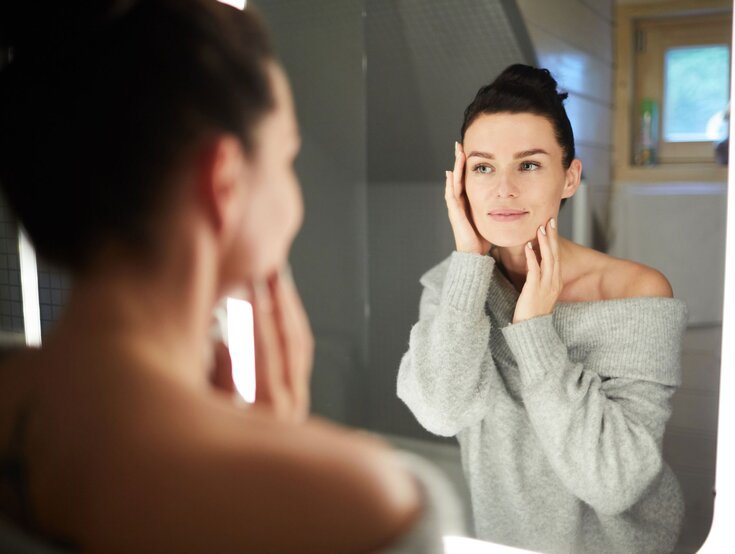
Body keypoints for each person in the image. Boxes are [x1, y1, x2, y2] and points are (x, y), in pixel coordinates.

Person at [0, 1, 462, 552]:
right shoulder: (365, 508)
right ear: (223, 183)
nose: (297, 200)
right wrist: (284, 456)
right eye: (287, 158)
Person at [397, 64, 686, 554]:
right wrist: (469, 265)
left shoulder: (636, 293)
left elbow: (615, 481)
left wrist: (533, 330)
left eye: (528, 164)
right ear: (461, 180)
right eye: (483, 167)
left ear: (569, 177)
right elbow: (442, 413)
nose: (502, 189)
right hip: (502, 540)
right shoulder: (453, 287)